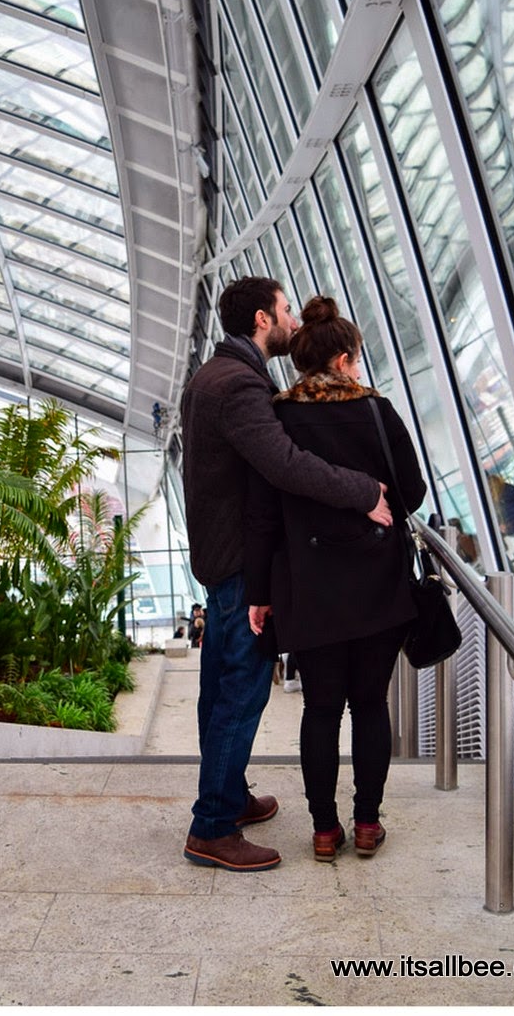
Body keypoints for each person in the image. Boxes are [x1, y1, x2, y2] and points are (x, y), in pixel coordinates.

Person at [179, 276, 392, 873]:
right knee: (239, 697)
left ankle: (229, 797)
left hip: (217, 558)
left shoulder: (209, 376)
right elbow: (285, 465)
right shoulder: (242, 385)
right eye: (284, 309)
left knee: (218, 692)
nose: (294, 319)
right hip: (238, 566)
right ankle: (212, 828)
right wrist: (361, 490)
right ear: (260, 320)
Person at [245, 294, 427, 862]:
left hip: (308, 584)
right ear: (346, 359)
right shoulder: (379, 411)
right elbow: (413, 494)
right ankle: (367, 822)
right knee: (370, 703)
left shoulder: (278, 416)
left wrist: (260, 592)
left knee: (321, 709)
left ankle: (324, 831)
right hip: (379, 583)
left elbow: (263, 513)